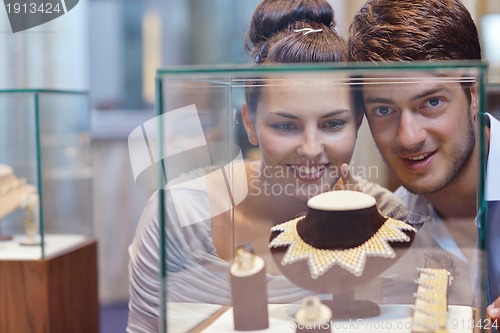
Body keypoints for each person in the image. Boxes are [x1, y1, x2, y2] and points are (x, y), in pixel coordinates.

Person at [127, 0, 410, 331]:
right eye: (285, 126)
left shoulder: (388, 219)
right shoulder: (180, 217)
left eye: (333, 124)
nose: (311, 149)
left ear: (358, 122)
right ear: (250, 124)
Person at [348, 0, 500, 324]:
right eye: (384, 110)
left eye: (432, 102)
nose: (408, 138)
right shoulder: (396, 225)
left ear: (473, 92)